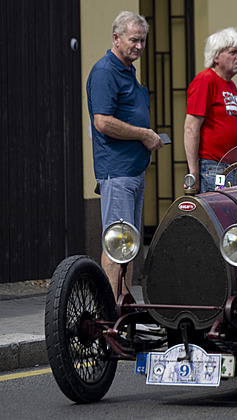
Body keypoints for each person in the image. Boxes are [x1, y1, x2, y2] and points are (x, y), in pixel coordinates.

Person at [86, 11, 163, 298]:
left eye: (143, 41)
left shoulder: (127, 70)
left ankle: (125, 307)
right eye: (134, 40)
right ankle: (111, 311)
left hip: (132, 171)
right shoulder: (106, 71)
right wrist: (144, 135)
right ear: (116, 38)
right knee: (118, 244)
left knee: (128, 243)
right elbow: (102, 122)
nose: (140, 46)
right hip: (117, 172)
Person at [184, 27, 237, 193]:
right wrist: (193, 172)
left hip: (231, 166)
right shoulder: (206, 80)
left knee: (231, 215)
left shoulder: (230, 84)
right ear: (216, 56)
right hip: (214, 167)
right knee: (220, 213)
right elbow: (191, 127)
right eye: (233, 52)